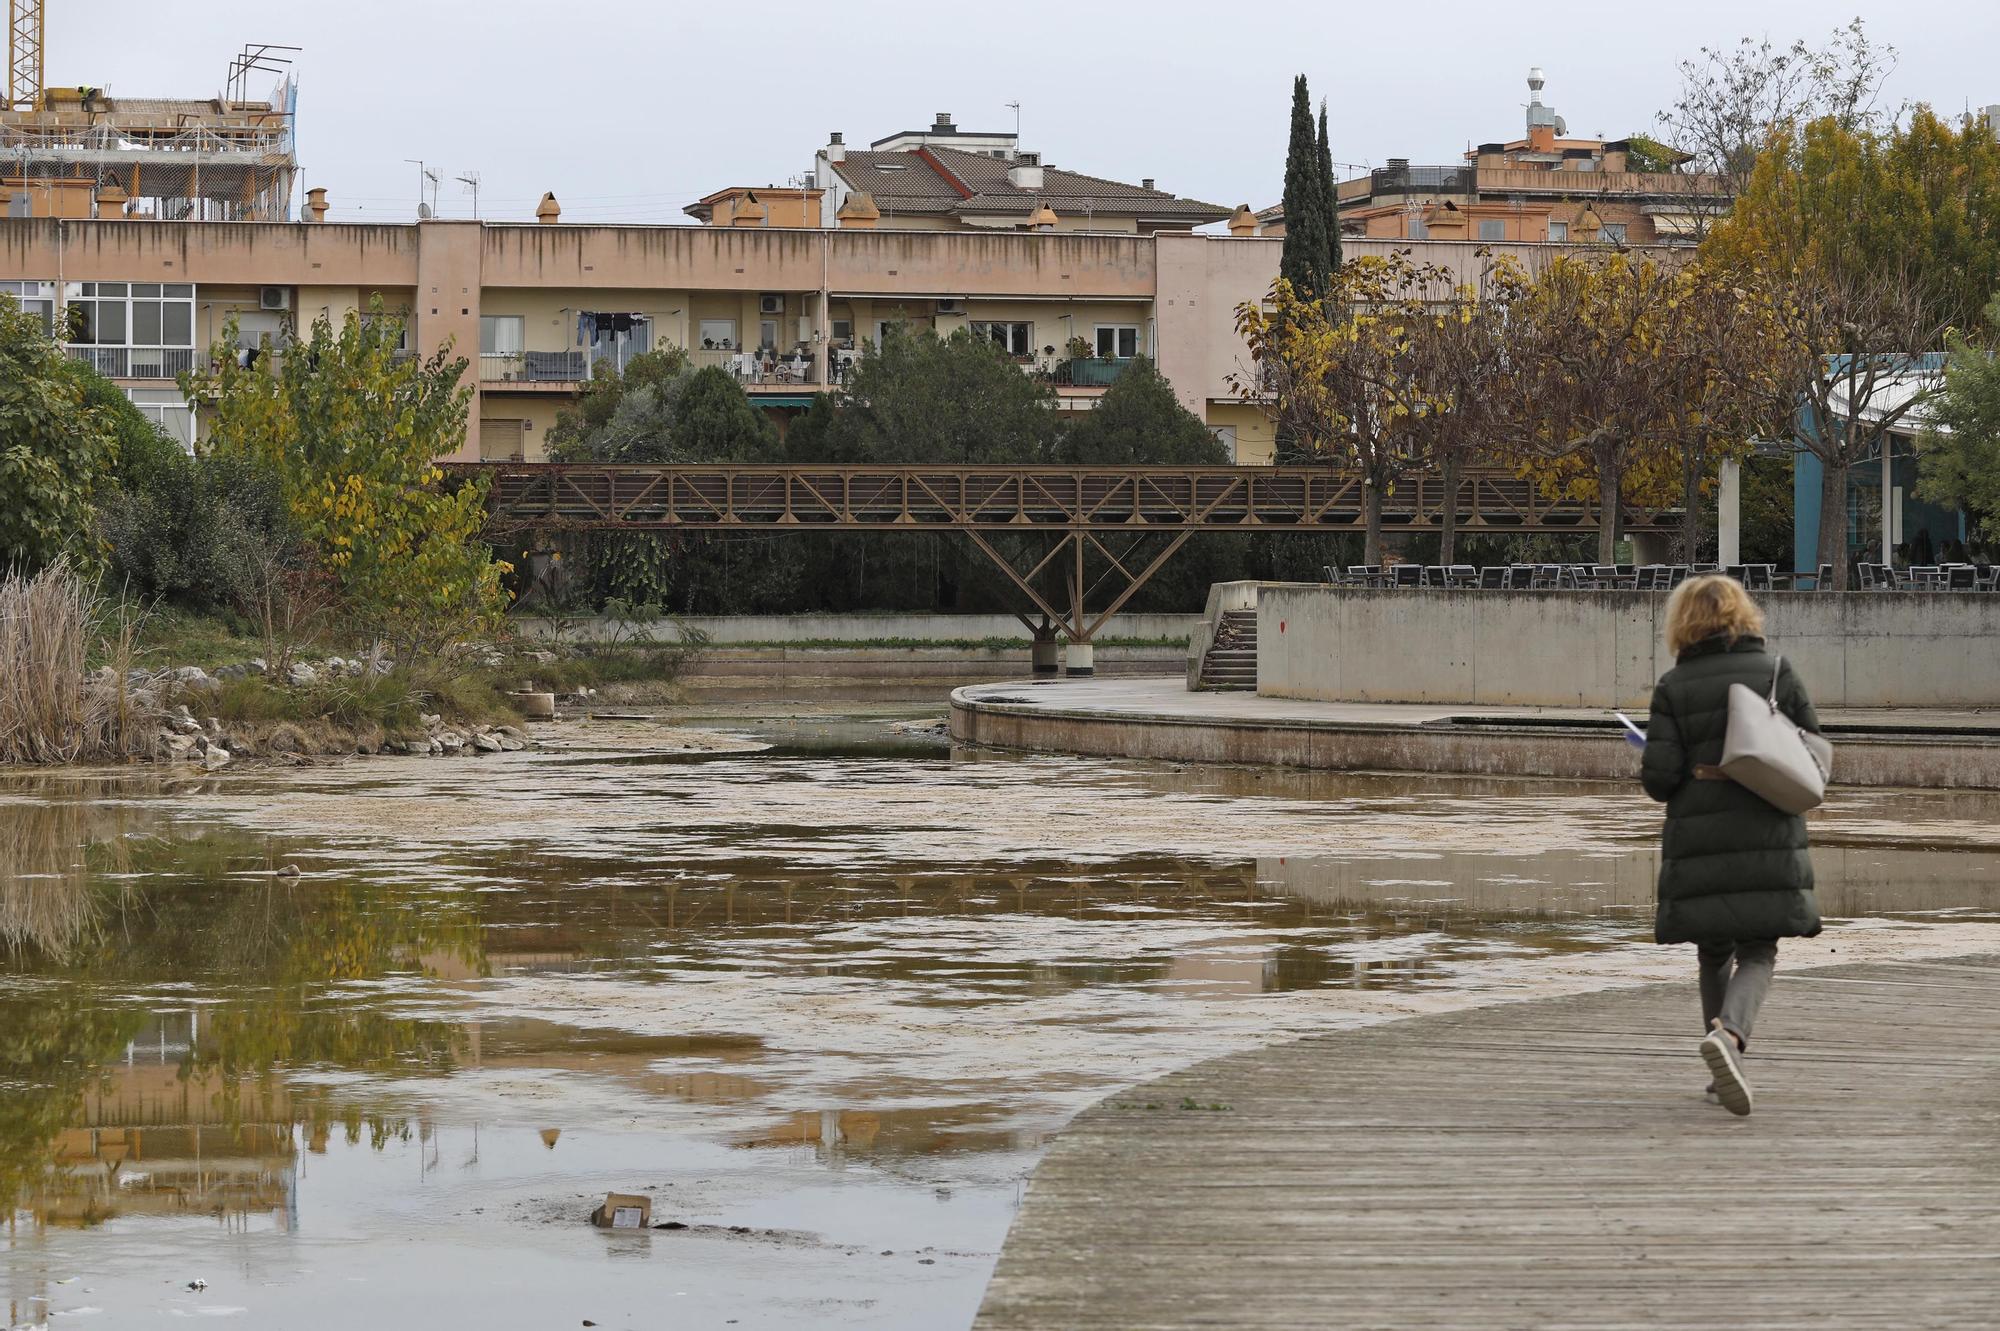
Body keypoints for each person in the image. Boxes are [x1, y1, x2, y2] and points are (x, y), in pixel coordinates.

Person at [1640, 574, 1822, 1117]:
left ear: (1683, 622)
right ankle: (1732, 1037)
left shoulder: (1674, 685)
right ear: (1744, 615)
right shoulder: (1775, 672)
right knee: (1760, 948)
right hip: (1766, 826)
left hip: (1700, 832)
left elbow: (1659, 780)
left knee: (1713, 949)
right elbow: (1812, 748)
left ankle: (1724, 1068)